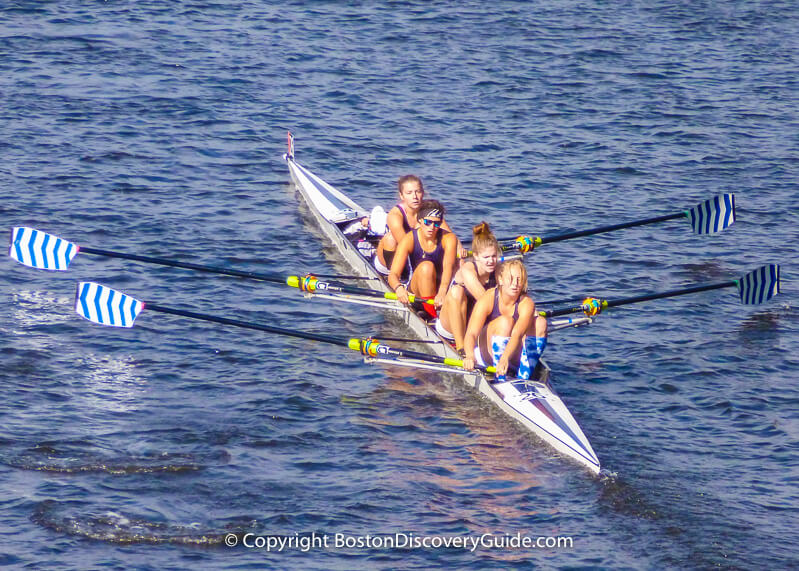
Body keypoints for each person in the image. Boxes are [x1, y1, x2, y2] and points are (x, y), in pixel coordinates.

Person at [461, 259, 548, 381]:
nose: (515, 283)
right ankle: (500, 378)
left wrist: (505, 357)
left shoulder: (526, 303)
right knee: (505, 322)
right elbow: (471, 333)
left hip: (510, 355)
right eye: (511, 278)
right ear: (500, 280)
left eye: (519, 279)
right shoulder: (489, 297)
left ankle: (523, 378)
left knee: (540, 322)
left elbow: (517, 335)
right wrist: (469, 356)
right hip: (487, 352)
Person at [435, 221, 499, 355]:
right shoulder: (468, 270)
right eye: (486, 257)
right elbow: (484, 300)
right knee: (457, 292)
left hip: (474, 327)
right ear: (475, 256)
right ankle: (461, 349)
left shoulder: (499, 271)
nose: (491, 261)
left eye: (494, 256)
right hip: (450, 328)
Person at [387, 199, 458, 316]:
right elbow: (393, 274)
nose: (432, 227)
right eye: (428, 222)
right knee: (426, 267)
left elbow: (448, 267)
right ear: (420, 220)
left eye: (437, 223)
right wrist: (398, 288)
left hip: (440, 286)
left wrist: (442, 292)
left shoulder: (449, 239)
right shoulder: (409, 239)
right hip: (416, 290)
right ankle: (433, 315)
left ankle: (436, 311)